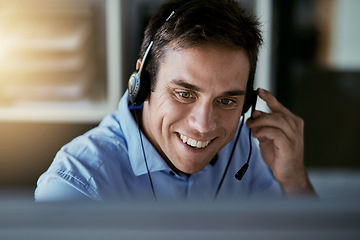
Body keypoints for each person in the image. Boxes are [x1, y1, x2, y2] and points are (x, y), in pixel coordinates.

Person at [35, 0, 315, 202]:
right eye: (184, 94)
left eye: (227, 101)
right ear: (142, 83)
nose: (204, 126)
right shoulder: (76, 187)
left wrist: (293, 180)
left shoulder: (242, 149)